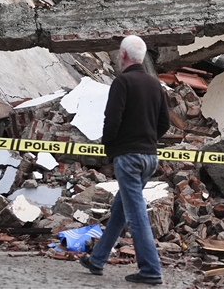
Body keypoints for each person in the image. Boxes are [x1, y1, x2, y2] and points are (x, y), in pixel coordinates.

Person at [80, 35, 169, 285]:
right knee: (122, 208)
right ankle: (97, 259)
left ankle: (151, 270)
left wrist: (110, 147)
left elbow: (112, 119)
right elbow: (165, 124)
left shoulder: (122, 82)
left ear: (122, 55)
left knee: (136, 212)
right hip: (150, 158)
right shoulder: (156, 85)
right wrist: (148, 139)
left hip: (128, 157)